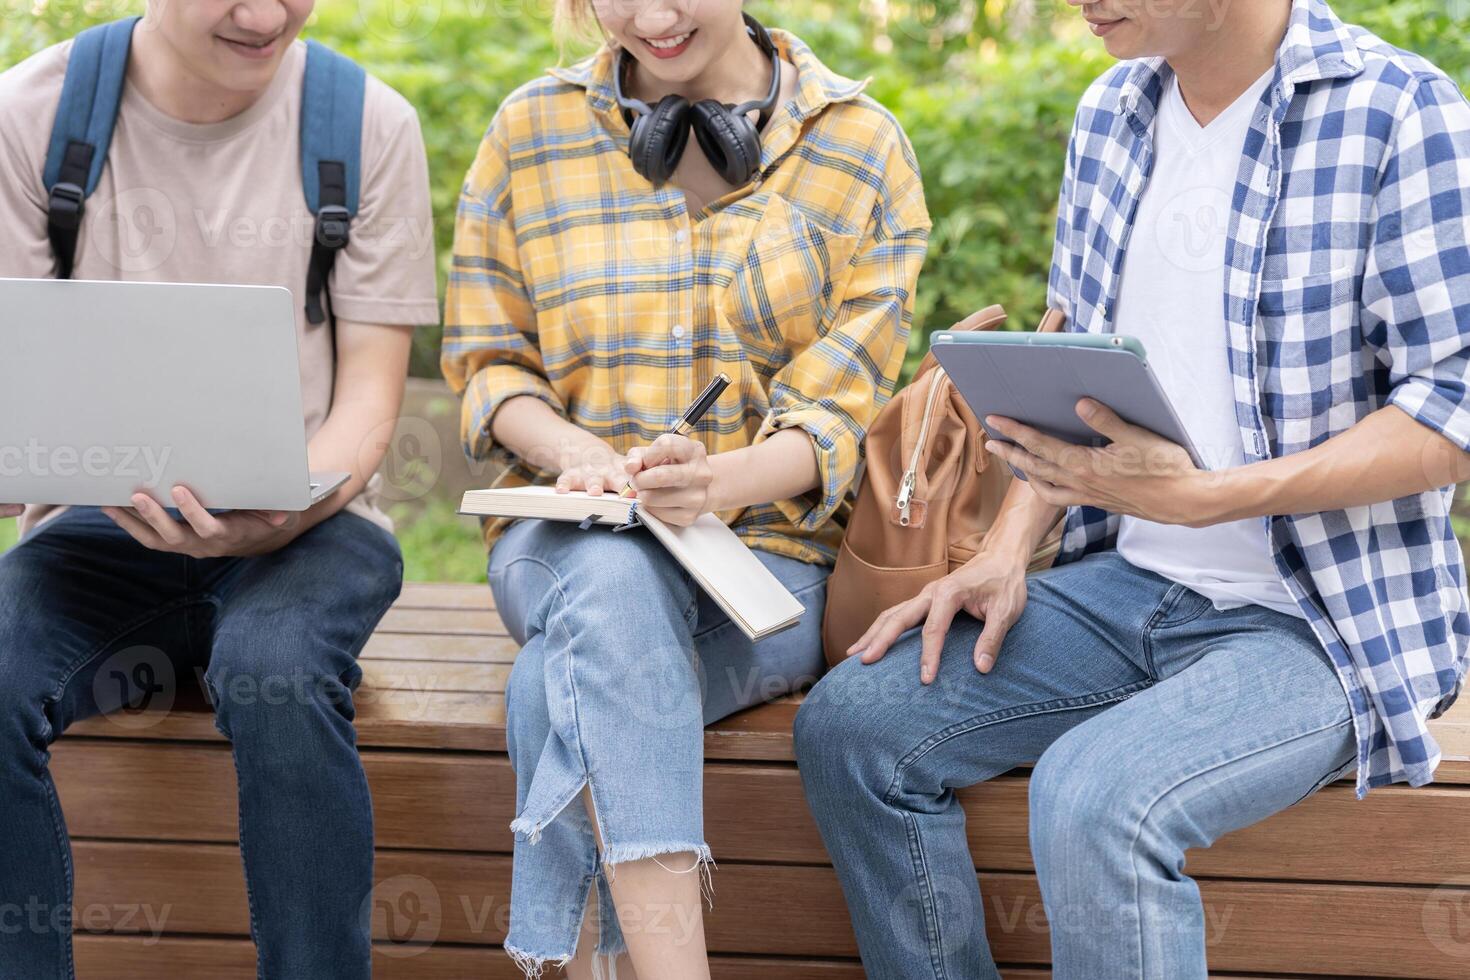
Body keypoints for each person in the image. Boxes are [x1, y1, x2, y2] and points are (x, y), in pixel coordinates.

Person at [795, 0, 1470, 977]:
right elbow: (1075, 360)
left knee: (1092, 797)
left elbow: (1452, 414)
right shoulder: (1113, 110)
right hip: (1126, 583)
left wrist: (1209, 496)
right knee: (853, 727)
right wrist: (1003, 546)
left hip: (1318, 621)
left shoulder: (1400, 112)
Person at [441, 0, 930, 975]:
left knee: (557, 681)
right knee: (610, 585)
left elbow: (839, 410)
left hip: (766, 565)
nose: (652, 18)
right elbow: (490, 364)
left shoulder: (862, 144)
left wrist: (718, 480)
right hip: (560, 536)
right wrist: (579, 451)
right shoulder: (527, 132)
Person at [0, 1, 438, 977]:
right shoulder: (29, 117)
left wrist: (277, 510)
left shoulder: (367, 124)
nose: (263, 14)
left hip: (315, 525)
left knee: (273, 667)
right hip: (93, 526)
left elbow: (369, 402)